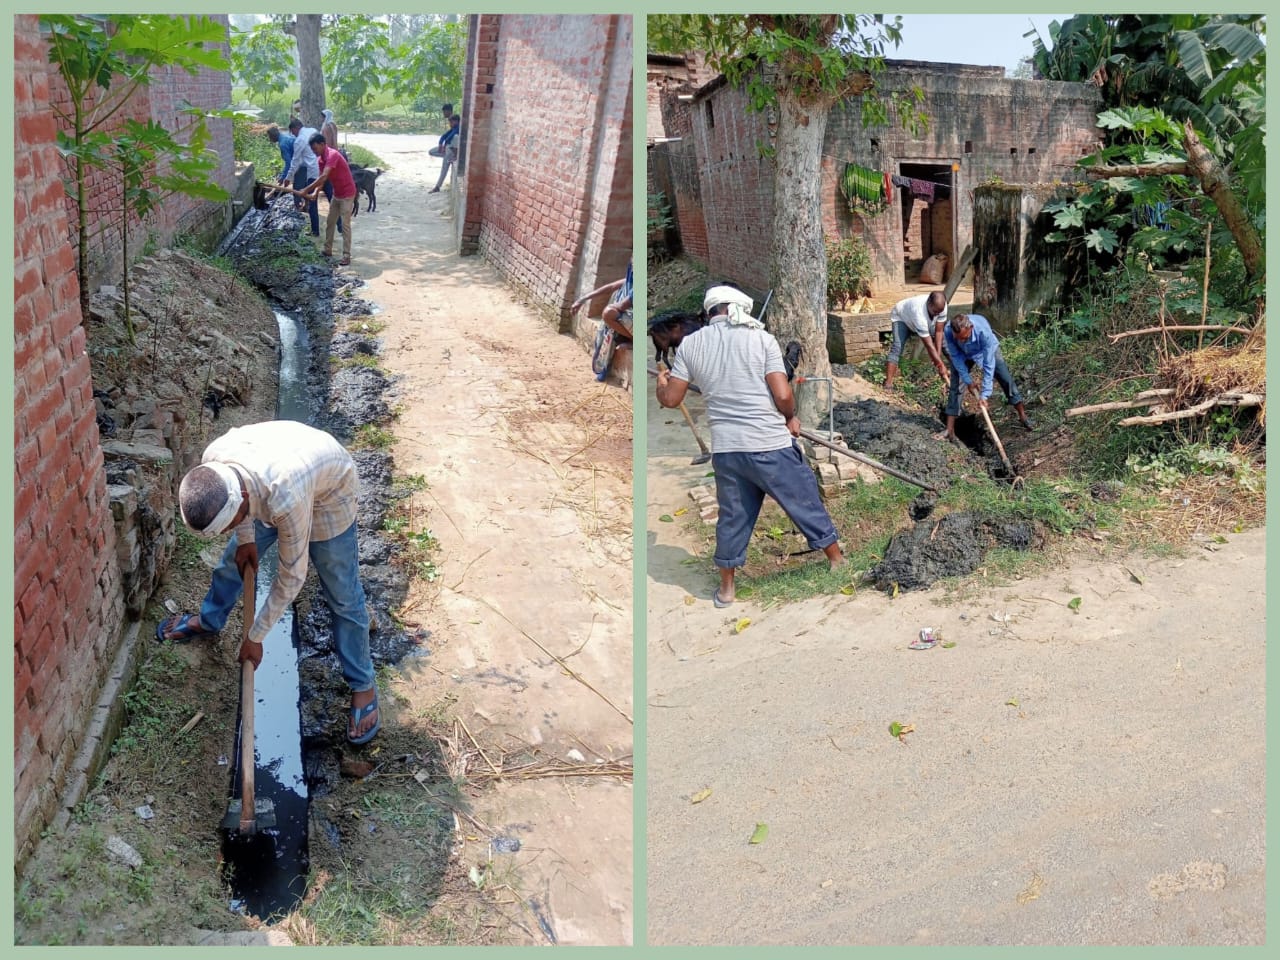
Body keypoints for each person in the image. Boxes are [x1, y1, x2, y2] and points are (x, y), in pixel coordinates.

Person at [154, 421, 381, 745]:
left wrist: (255, 636)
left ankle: (363, 684)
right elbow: (242, 497)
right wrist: (245, 538)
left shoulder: (285, 497)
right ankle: (208, 620)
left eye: (229, 525)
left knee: (342, 595)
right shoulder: (215, 462)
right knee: (232, 563)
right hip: (277, 475)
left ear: (242, 501)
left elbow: (292, 577)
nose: (228, 531)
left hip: (328, 492)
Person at [656, 286, 843, 607]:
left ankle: (726, 590)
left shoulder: (690, 345)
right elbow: (783, 394)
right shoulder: (761, 339)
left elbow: (672, 399)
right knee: (802, 498)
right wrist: (790, 417)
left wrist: (662, 385)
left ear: (711, 313)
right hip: (769, 443)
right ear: (737, 309)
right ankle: (837, 560)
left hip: (727, 451)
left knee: (733, 517)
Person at [936, 313, 1035, 441]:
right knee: (956, 386)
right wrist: (968, 381)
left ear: (971, 328)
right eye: (958, 339)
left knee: (1005, 378)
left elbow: (989, 365)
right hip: (962, 355)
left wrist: (984, 395)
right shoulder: (949, 331)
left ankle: (1023, 416)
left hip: (985, 351)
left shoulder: (983, 332)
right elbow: (956, 357)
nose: (961, 341)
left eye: (964, 338)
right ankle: (949, 429)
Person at [299, 133, 357, 266]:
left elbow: (324, 176)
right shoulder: (321, 160)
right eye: (312, 150)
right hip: (337, 194)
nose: (314, 152)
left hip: (347, 193)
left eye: (315, 149)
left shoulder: (333, 155)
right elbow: (322, 180)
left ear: (322, 144)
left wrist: (306, 189)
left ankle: (346, 255)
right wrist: (315, 192)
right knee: (330, 222)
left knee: (345, 225)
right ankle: (327, 249)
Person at [574, 262, 633, 382]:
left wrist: (609, 309)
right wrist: (582, 299)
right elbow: (610, 287)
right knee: (616, 294)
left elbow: (620, 306)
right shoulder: (630, 279)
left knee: (608, 313)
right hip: (628, 321)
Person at [884, 290, 951, 391]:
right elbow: (928, 344)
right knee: (897, 347)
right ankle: (888, 384)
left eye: (939, 312)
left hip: (921, 320)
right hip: (901, 318)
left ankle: (959, 372)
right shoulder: (919, 313)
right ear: (929, 303)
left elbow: (939, 332)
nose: (937, 314)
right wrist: (940, 365)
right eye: (935, 312)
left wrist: (937, 360)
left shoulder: (942, 307)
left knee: (945, 343)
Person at [283, 118, 321, 236]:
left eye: (292, 132)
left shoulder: (299, 140)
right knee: (330, 196)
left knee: (313, 202)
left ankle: (315, 231)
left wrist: (288, 177)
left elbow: (295, 162)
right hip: (323, 167)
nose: (293, 134)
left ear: (295, 128)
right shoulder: (313, 130)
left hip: (313, 172)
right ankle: (340, 225)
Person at [318, 109, 344, 235]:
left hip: (328, 159)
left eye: (322, 116)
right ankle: (340, 223)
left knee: (329, 193)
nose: (321, 119)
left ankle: (338, 223)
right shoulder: (333, 125)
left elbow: (326, 144)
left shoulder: (326, 127)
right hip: (335, 157)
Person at [429, 114, 462, 193]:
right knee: (431, 151)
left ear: (456, 121)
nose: (450, 124)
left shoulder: (458, 128)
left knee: (444, 169)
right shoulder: (453, 128)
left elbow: (450, 137)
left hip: (451, 150)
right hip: (447, 149)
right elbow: (444, 136)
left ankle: (437, 187)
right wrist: (441, 144)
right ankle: (447, 156)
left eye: (451, 122)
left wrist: (445, 145)